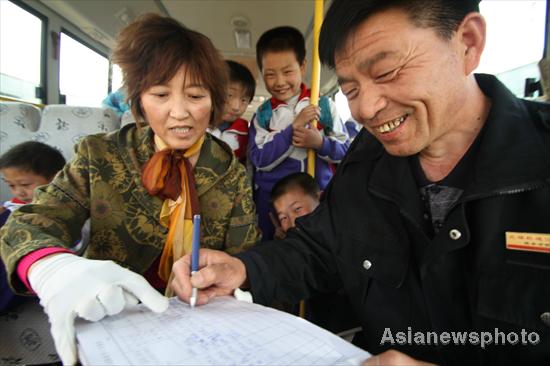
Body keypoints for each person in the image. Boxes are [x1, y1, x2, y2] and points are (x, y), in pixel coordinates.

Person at [171, 0, 550, 365]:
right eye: (350, 89)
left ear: (467, 42)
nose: (365, 109)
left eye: (386, 72)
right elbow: (320, 250)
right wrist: (243, 270)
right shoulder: (366, 159)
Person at [0, 13, 259, 365]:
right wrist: (49, 267)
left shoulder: (232, 174)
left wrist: (229, 284)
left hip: (198, 329)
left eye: (195, 95)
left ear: (214, 100)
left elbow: (246, 257)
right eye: (161, 94)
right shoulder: (100, 155)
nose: (179, 112)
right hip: (108, 325)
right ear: (139, 100)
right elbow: (32, 221)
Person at [248, 26, 350, 241]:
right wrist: (291, 131)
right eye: (270, 74)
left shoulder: (323, 105)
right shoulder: (263, 115)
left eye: (288, 72)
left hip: (315, 199)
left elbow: (345, 152)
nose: (280, 82)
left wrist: (320, 143)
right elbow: (259, 160)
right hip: (272, 205)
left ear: (303, 67)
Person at [271, 172, 359, 335]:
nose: (292, 222)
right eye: (283, 217)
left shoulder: (343, 237)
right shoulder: (290, 248)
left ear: (320, 198)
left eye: (297, 209)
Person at [0, 141, 66, 312]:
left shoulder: (64, 208)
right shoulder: (15, 204)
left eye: (25, 185)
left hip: (28, 263)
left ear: (56, 178)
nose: (18, 192)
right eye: (11, 186)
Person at [208, 60, 255, 163]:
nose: (236, 107)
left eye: (244, 100)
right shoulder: (197, 125)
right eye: (229, 95)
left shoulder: (247, 133)